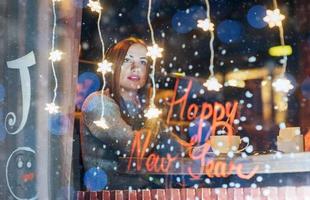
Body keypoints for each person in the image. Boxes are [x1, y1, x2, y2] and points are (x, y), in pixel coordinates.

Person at [80, 37, 182, 190]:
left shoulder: (145, 108)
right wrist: (153, 120)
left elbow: (171, 143)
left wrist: (196, 150)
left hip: (144, 192)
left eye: (143, 62)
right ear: (114, 66)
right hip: (111, 194)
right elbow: (134, 147)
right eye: (127, 60)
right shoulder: (98, 103)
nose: (136, 67)